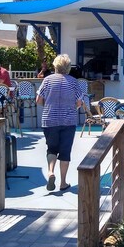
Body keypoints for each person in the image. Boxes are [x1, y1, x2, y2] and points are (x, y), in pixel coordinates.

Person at [36, 54, 83, 192]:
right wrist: (72, 107)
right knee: (65, 152)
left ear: (55, 66)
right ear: (68, 67)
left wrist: (49, 104)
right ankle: (63, 183)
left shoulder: (47, 80)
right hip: (68, 121)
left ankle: (51, 172)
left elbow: (38, 100)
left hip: (49, 119)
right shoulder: (74, 82)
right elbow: (79, 102)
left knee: (51, 148)